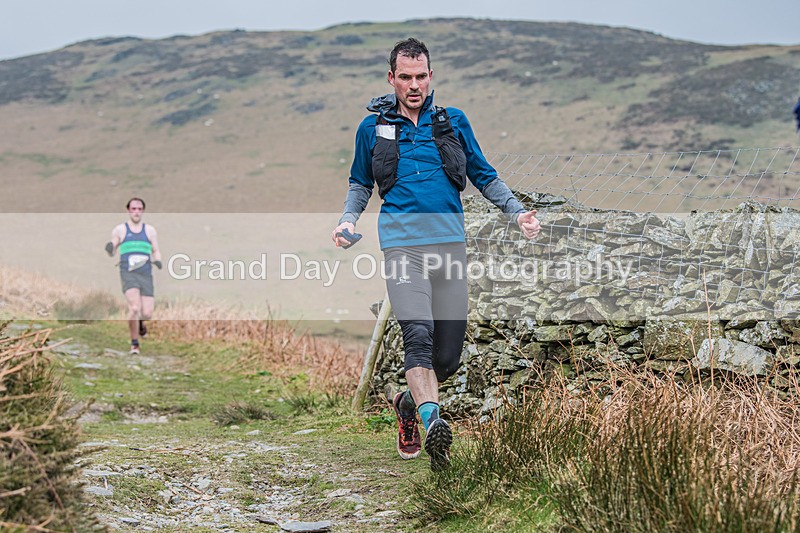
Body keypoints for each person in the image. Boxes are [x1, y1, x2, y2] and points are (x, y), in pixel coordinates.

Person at [331, 38, 540, 471]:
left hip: (448, 247)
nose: (414, 85)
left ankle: (407, 404)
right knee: (418, 335)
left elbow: (484, 175)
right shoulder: (371, 128)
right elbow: (360, 183)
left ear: (431, 77)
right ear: (391, 78)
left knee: (446, 358)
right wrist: (347, 220)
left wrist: (517, 212)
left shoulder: (453, 122)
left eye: (421, 76)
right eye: (405, 77)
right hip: (402, 246)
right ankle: (433, 425)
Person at [105, 198, 162, 355]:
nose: (136, 212)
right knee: (135, 307)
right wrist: (110, 247)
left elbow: (155, 250)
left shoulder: (149, 230)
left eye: (139, 209)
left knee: (147, 313)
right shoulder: (120, 230)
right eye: (133, 209)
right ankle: (134, 344)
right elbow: (113, 247)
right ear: (128, 210)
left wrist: (158, 260)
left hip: (146, 273)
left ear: (143, 211)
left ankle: (141, 323)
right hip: (128, 272)